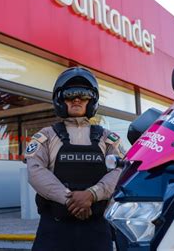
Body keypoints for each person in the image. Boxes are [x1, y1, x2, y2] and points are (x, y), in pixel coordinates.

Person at [25, 67, 123, 251]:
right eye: (70, 94)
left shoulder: (108, 138)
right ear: (60, 99)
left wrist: (91, 194)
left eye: (84, 94)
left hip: (97, 229)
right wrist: (72, 200)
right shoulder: (46, 135)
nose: (77, 99)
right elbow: (35, 171)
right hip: (54, 228)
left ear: (92, 100)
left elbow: (120, 170)